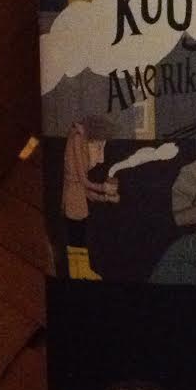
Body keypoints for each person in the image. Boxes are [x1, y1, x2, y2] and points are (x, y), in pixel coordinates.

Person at [63, 114, 119, 279]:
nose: (101, 159)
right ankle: (78, 272)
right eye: (98, 147)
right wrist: (103, 188)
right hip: (73, 201)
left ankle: (80, 271)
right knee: (76, 236)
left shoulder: (78, 140)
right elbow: (84, 181)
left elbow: (87, 193)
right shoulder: (77, 139)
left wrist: (106, 198)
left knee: (78, 236)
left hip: (77, 200)